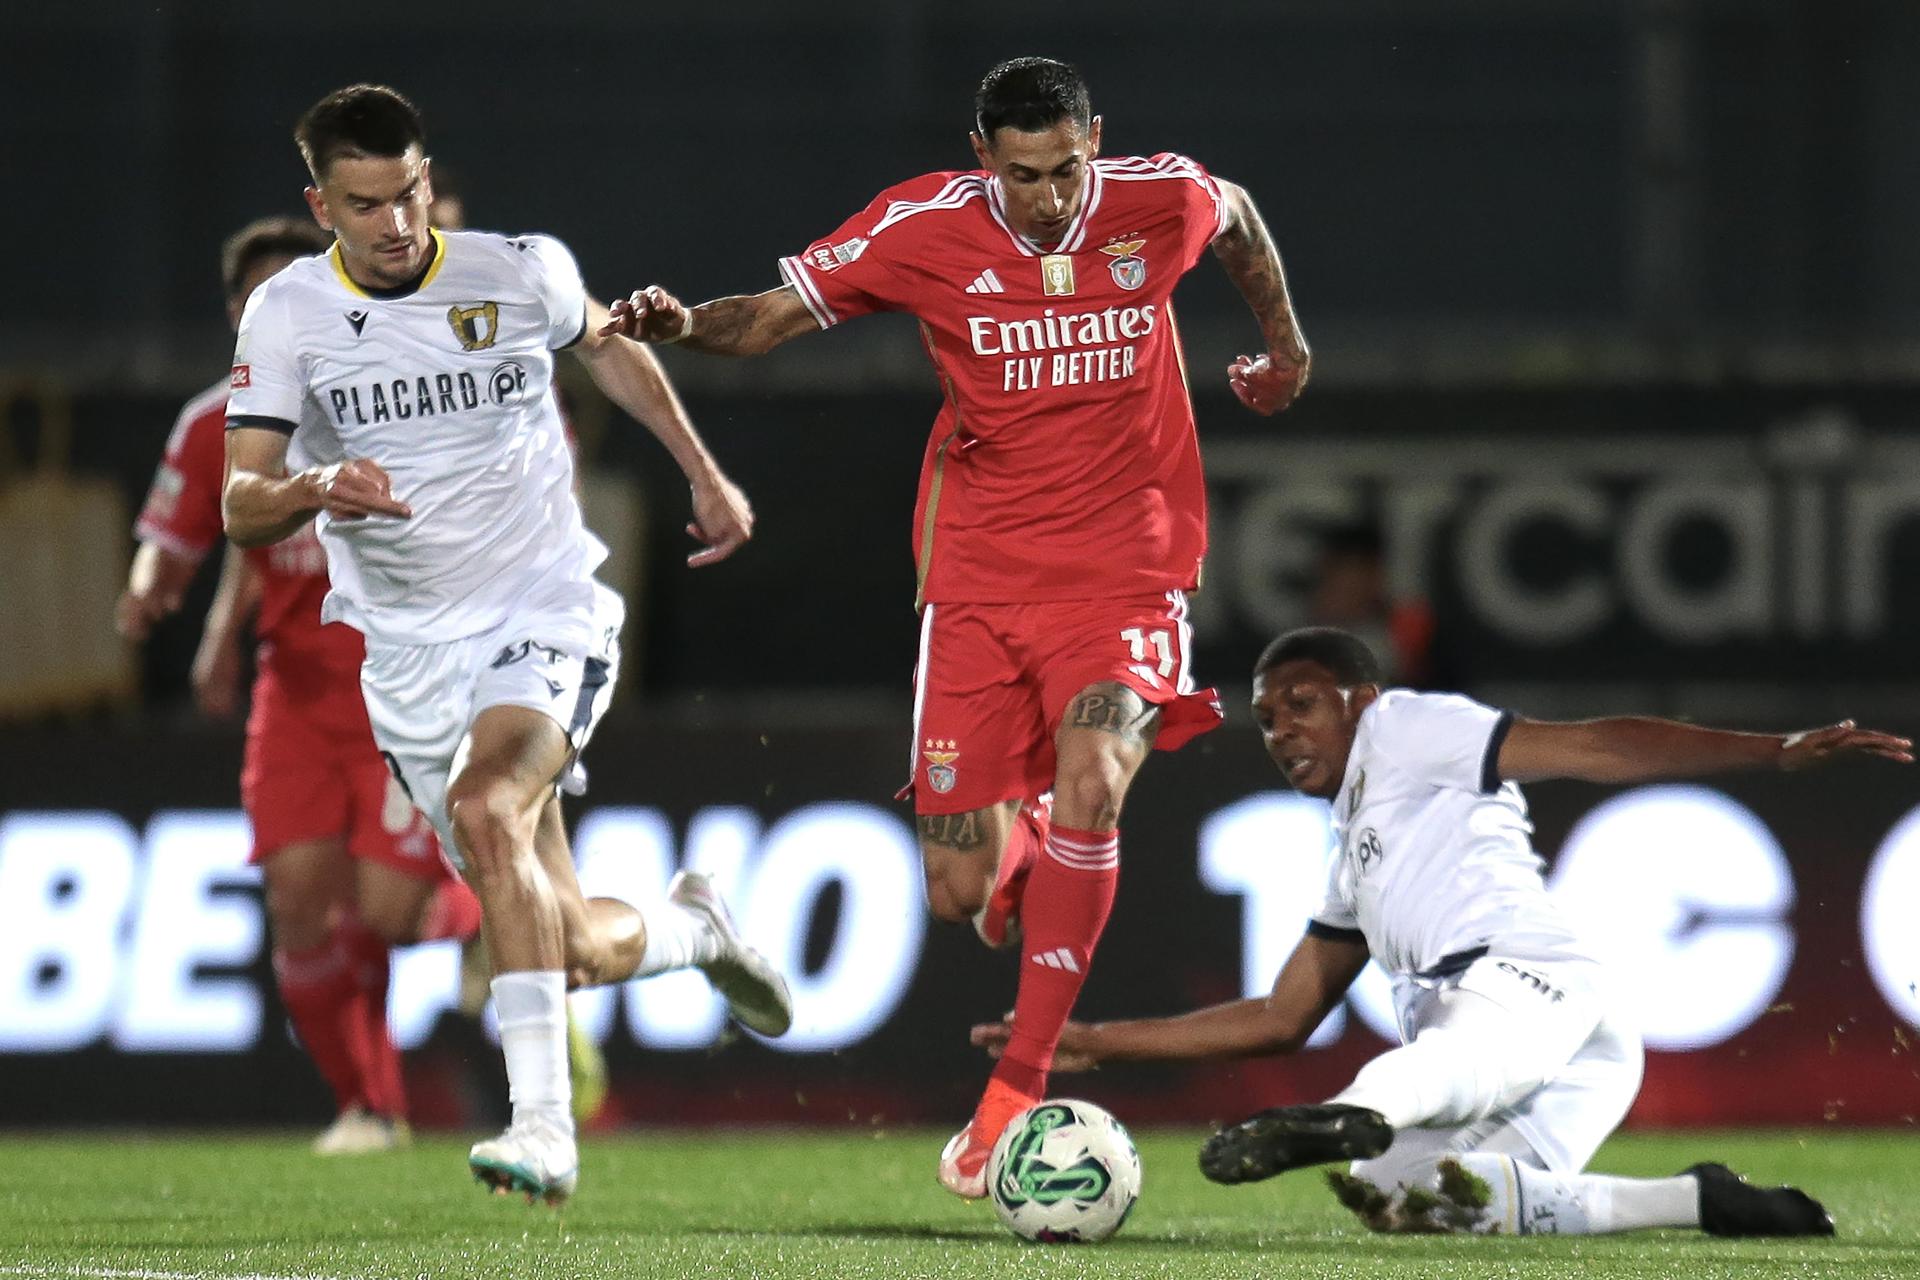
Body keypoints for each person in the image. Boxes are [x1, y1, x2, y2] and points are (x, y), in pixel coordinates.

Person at [601, 55, 1312, 1199]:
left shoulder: (1156, 199)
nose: (1049, 199)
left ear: (1097, 140)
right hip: (978, 576)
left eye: (1067, 169)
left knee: (1095, 771)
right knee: (962, 892)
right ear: (986, 160)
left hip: (1127, 567)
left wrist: (1283, 346)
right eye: (1024, 175)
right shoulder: (918, 226)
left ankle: (1015, 1090)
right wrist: (684, 324)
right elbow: (770, 319)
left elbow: (1237, 216)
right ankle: (1027, 844)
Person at [220, 84, 792, 1205]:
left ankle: (543, 1130)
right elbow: (241, 500)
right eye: (364, 203)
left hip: (543, 607)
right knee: (567, 941)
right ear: (320, 203)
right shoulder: (286, 313)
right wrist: (314, 484)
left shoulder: (516, 266)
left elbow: (609, 350)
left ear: (429, 176)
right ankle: (696, 929)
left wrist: (705, 473)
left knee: (491, 807)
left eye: (409, 192)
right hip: (410, 655)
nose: (394, 223)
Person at [973, 626, 1911, 1236]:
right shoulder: (1354, 849)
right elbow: (1282, 1014)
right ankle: (1699, 1199)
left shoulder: (1408, 729)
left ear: (1361, 700)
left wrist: (1770, 752)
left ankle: (1354, 1113)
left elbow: (1596, 744)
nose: (1280, 730)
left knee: (1438, 1065)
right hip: (1575, 1050)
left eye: (1301, 703)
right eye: (1264, 718)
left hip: (1523, 990)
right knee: (1406, 1200)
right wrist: (1090, 1042)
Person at [117, 215, 487, 1155]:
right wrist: (170, 602)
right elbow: (187, 541)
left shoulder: (398, 402)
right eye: (254, 298)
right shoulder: (212, 425)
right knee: (296, 902)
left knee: (389, 916)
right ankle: (370, 1104)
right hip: (297, 700)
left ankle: (490, 915)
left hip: (399, 690)